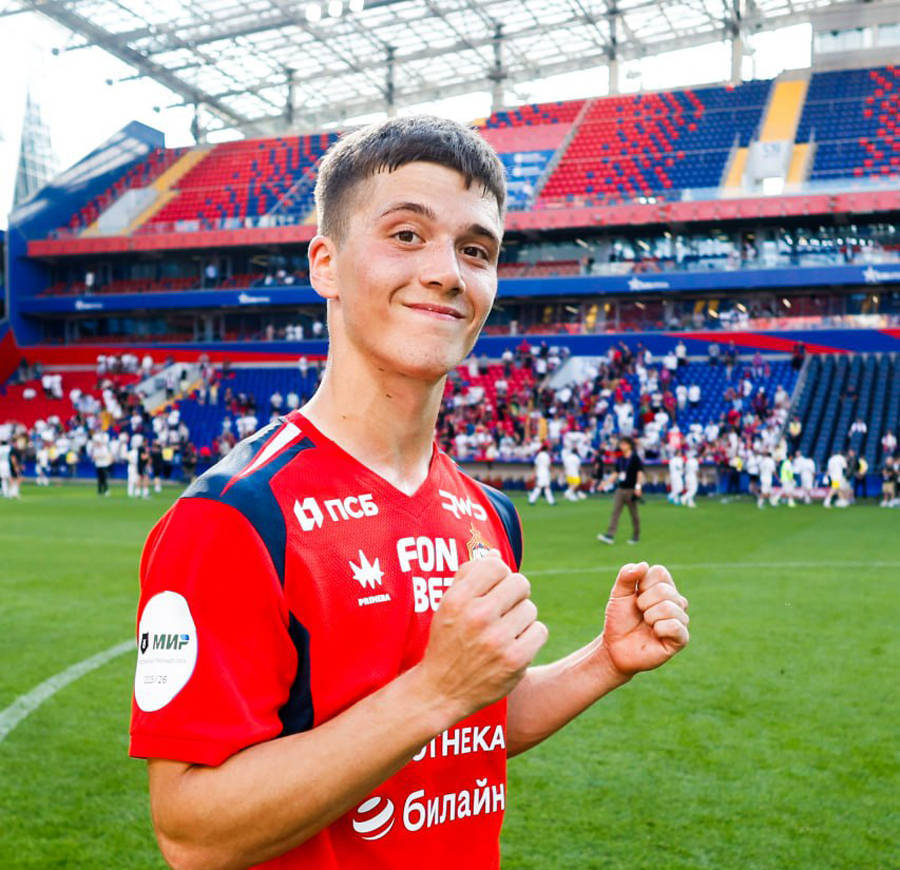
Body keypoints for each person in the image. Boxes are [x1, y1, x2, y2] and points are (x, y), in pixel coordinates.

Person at [129, 116, 690, 870]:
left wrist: (603, 663)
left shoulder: (488, 514)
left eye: (476, 250)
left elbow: (469, 725)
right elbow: (194, 834)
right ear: (325, 264)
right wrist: (434, 691)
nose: (447, 272)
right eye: (406, 235)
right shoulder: (235, 515)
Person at [598, 436, 644, 544]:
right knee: (615, 512)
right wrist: (605, 483)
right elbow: (616, 473)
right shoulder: (620, 459)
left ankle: (636, 535)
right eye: (621, 444)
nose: (621, 446)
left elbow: (639, 473)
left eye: (624, 444)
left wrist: (638, 487)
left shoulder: (635, 458)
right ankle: (610, 535)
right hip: (621, 489)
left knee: (634, 514)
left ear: (629, 445)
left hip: (631, 489)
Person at [527, 441, 555, 506]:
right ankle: (531, 500)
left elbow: (536, 465)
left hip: (540, 473)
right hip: (544, 473)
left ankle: (551, 501)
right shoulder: (546, 455)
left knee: (545, 487)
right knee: (541, 487)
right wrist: (553, 472)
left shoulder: (539, 455)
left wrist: (534, 473)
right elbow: (549, 465)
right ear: (546, 448)